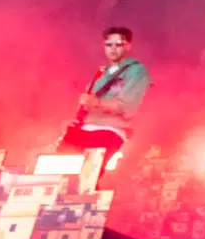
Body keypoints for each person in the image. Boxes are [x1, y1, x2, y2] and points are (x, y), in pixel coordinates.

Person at [57, 26, 152, 186]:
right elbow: (87, 103)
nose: (113, 49)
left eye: (118, 44)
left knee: (85, 180)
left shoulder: (136, 72)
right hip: (81, 129)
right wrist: (74, 120)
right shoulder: (101, 73)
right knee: (55, 177)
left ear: (128, 46)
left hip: (108, 131)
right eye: (109, 44)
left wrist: (97, 103)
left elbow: (128, 108)